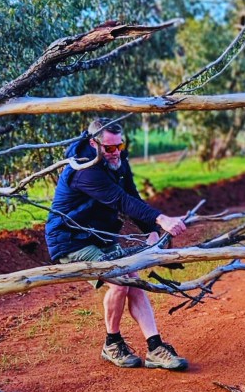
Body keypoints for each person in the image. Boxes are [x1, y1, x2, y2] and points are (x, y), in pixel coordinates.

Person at [45, 118, 189, 371]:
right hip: (70, 240)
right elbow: (120, 201)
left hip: (101, 235)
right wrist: (162, 218)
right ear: (94, 143)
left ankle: (155, 348)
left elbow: (132, 196)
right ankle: (112, 344)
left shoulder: (117, 162)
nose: (116, 153)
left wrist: (151, 231)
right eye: (110, 148)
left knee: (132, 279)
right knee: (119, 282)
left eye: (120, 146)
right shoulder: (84, 170)